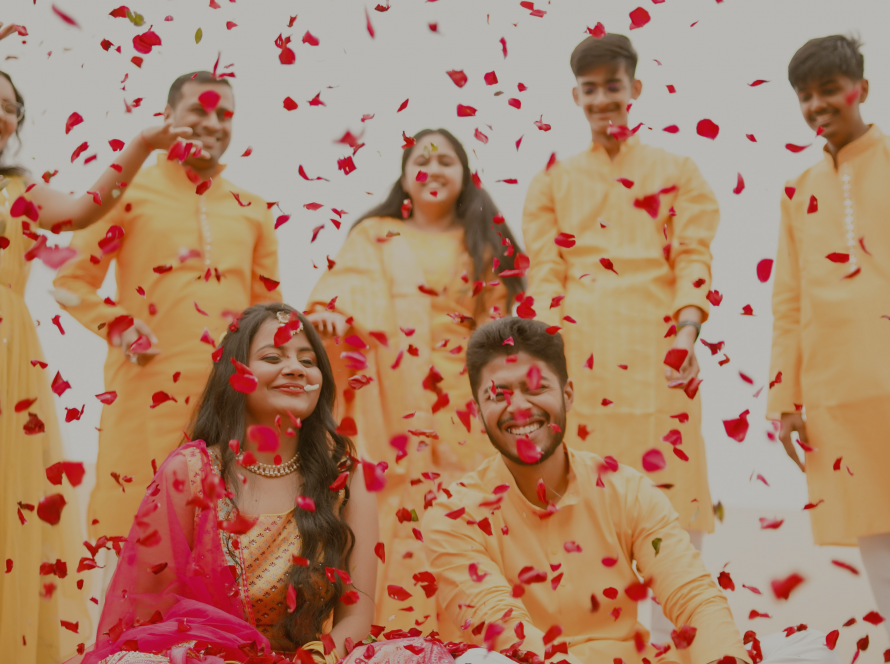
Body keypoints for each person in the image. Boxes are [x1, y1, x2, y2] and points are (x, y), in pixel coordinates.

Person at [423, 317, 839, 664]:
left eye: (535, 389)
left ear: (567, 394)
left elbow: (693, 595)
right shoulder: (452, 515)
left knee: (812, 650)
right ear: (478, 413)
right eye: (498, 395)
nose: (518, 408)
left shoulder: (625, 489)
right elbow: (505, 628)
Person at [0, 32, 207, 662]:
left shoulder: (22, 193)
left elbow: (88, 210)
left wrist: (143, 142)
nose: (3, 112)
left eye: (12, 106)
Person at [520, 34, 719, 642]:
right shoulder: (553, 180)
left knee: (671, 505)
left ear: (635, 89)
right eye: (590, 89)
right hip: (581, 359)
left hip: (662, 355)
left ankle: (682, 646)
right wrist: (547, 359)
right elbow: (545, 271)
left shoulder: (678, 171)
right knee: (586, 509)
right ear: (576, 97)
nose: (603, 98)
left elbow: (692, 254)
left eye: (613, 85)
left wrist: (687, 329)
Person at [53, 71, 282, 552]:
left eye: (224, 114)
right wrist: (117, 325)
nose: (212, 122)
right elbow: (69, 280)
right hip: (144, 390)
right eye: (199, 110)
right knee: (133, 531)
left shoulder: (252, 208)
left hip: (228, 402)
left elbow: (269, 315)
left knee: (226, 541)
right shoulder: (129, 191)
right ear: (167, 117)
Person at [306, 129, 524, 631]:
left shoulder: (483, 241)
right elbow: (340, 294)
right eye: (421, 161)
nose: (434, 169)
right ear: (404, 176)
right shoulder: (374, 234)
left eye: (446, 160)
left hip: (461, 400)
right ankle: (387, 638)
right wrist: (330, 320)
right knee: (384, 510)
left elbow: (499, 330)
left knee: (462, 514)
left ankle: (467, 641)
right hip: (387, 396)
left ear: (464, 174)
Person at [75, 303, 378, 663]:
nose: (295, 369)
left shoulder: (346, 478)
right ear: (235, 374)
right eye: (273, 356)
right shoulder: (190, 473)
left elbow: (357, 617)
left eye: (308, 361)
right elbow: (147, 618)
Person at [769, 35, 890, 637]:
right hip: (837, 394)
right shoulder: (797, 192)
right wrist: (782, 400)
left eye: (827, 90)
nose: (816, 105)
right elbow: (787, 301)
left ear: (861, 89)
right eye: (804, 96)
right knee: (875, 537)